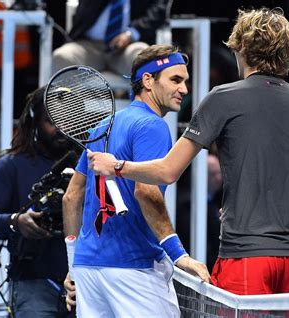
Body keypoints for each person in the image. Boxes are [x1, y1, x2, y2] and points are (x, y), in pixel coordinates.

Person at [87, 8, 289, 295]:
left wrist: (117, 166)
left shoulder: (223, 98)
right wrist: (271, 205)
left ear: (241, 48)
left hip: (246, 255)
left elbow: (167, 172)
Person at [62, 44, 210, 317]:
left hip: (87, 268)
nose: (185, 90)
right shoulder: (152, 126)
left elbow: (71, 197)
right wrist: (178, 255)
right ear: (148, 81)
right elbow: (146, 192)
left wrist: (72, 265)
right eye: (176, 80)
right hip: (133, 269)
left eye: (186, 81)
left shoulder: (101, 125)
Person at [0, 87, 75, 317]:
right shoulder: (12, 164)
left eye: (66, 119)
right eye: (51, 120)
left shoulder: (89, 164)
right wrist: (16, 222)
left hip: (85, 284)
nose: (60, 128)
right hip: (34, 283)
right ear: (34, 121)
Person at [52, 0, 169, 77]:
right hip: (88, 45)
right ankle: (68, 112)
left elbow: (158, 12)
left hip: (128, 47)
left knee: (145, 60)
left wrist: (130, 34)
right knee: (62, 56)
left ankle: (143, 113)